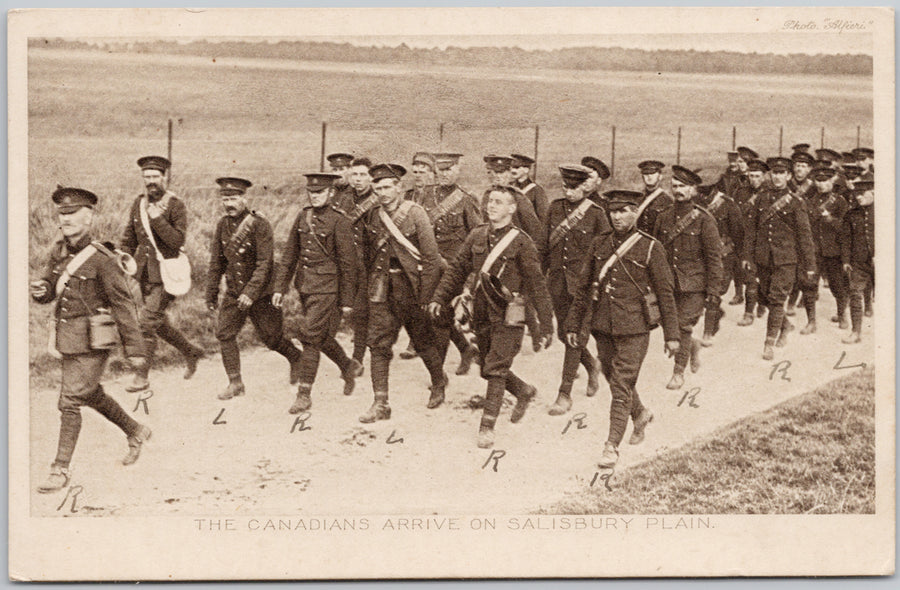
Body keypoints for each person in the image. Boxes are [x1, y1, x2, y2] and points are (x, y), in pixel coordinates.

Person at [31, 187, 152, 493]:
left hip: (94, 341)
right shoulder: (59, 250)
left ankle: (60, 469)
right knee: (90, 394)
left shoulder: (103, 258)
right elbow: (50, 285)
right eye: (62, 214)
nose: (66, 219)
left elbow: (124, 304)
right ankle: (135, 430)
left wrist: (136, 350)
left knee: (69, 400)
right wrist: (42, 291)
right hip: (66, 338)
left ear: (88, 217)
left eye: (72, 214)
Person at [429, 185, 554, 448]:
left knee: (496, 368)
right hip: (481, 312)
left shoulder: (521, 242)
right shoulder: (477, 235)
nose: (492, 206)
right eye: (490, 201)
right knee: (487, 366)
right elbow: (456, 270)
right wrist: (439, 297)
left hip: (510, 313)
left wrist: (545, 324)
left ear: (512, 209)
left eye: (499, 202)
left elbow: (537, 285)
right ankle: (523, 390)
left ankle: (487, 426)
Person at [564, 190, 680, 469]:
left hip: (635, 327)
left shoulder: (651, 247)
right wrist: (573, 324)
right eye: (613, 212)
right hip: (602, 325)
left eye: (624, 211)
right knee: (612, 374)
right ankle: (639, 413)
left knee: (620, 384)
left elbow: (665, 294)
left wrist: (672, 335)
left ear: (636, 212)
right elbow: (583, 288)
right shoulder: (599, 243)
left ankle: (611, 445)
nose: (617, 216)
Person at [358, 163, 448, 423]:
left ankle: (439, 382)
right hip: (381, 288)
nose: (383, 193)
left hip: (412, 288)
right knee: (378, 344)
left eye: (388, 187)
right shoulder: (373, 216)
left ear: (399, 188)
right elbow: (366, 256)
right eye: (378, 188)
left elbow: (431, 258)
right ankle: (380, 403)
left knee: (422, 340)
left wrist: (428, 296)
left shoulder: (416, 213)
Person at [204, 177, 303, 401]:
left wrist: (250, 292)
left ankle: (296, 357)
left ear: (244, 198)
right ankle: (235, 382)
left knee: (272, 339)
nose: (229, 203)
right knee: (225, 334)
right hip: (234, 291)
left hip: (262, 293)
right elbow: (216, 263)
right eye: (225, 198)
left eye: (234, 198)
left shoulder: (259, 224)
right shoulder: (222, 225)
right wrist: (210, 293)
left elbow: (264, 263)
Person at [272, 173, 361, 413]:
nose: (315, 196)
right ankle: (347, 366)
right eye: (311, 193)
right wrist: (280, 287)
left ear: (331, 193)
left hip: (328, 290)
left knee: (310, 336)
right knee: (320, 335)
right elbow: (290, 255)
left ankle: (304, 394)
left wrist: (347, 300)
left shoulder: (339, 221)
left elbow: (348, 265)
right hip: (306, 287)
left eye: (320, 192)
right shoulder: (303, 216)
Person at [121, 156, 203, 393]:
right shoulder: (138, 203)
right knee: (156, 322)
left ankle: (141, 377)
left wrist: (157, 219)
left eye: (155, 177)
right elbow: (130, 237)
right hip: (145, 274)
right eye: (147, 177)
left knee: (146, 324)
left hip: (168, 275)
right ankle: (190, 351)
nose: (151, 182)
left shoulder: (175, 205)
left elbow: (177, 241)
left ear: (164, 177)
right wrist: (123, 255)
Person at [542, 165, 611, 415]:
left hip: (582, 288)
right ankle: (592, 365)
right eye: (565, 187)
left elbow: (606, 254)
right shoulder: (554, 208)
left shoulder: (596, 214)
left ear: (585, 187)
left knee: (575, 337)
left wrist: (597, 285)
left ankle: (564, 394)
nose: (569, 192)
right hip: (558, 284)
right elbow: (543, 246)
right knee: (564, 333)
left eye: (574, 188)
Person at [652, 166, 723, 389]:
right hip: (668, 284)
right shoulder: (663, 218)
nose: (678, 191)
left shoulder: (704, 220)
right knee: (669, 325)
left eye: (683, 187)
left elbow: (714, 259)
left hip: (694, 286)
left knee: (682, 326)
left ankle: (678, 372)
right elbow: (655, 252)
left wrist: (713, 292)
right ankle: (691, 346)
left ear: (693, 190)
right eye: (675, 186)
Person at [413, 154, 482, 375]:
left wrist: (470, 276)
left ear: (458, 170)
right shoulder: (424, 196)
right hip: (429, 265)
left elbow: (478, 237)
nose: (444, 174)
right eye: (440, 170)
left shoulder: (466, 200)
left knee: (438, 319)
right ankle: (465, 348)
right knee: (436, 316)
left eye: (449, 170)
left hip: (453, 269)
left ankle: (438, 374)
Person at [742, 157, 816, 360]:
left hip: (786, 260)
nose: (777, 177)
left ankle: (769, 343)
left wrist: (810, 265)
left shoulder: (795, 202)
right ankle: (785, 326)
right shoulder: (761, 199)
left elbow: (805, 236)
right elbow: (751, 231)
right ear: (770, 175)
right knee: (764, 296)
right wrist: (747, 256)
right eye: (774, 173)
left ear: (789, 176)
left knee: (776, 299)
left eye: (781, 173)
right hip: (763, 258)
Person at [339, 156, 379, 370]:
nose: (358, 179)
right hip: (344, 263)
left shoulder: (378, 202)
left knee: (362, 312)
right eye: (354, 174)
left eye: (363, 175)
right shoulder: (343, 199)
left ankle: (358, 358)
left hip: (368, 265)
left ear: (371, 178)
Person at [696, 182, 743, 346]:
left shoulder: (729, 205)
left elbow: (738, 234)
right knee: (703, 291)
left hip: (723, 254)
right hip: (701, 254)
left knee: (715, 292)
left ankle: (708, 332)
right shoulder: (695, 202)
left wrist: (737, 257)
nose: (702, 195)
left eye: (706, 191)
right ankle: (716, 314)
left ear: (715, 188)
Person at [807, 167, 851, 330]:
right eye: (818, 180)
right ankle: (811, 321)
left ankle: (842, 316)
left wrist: (830, 219)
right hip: (815, 251)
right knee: (810, 286)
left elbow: (846, 228)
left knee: (837, 285)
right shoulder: (810, 200)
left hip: (834, 251)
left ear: (832, 181)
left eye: (825, 180)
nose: (821, 184)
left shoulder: (839, 201)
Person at [732, 158, 768, 325]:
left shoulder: (769, 193)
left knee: (765, 278)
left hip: (764, 242)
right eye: (751, 176)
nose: (753, 179)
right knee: (750, 277)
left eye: (757, 176)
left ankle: (761, 302)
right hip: (745, 241)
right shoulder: (740, 192)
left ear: (764, 176)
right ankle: (748, 313)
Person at [840, 180, 874, 344]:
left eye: (862, 194)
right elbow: (846, 239)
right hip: (859, 262)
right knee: (855, 294)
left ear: (872, 192)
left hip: (884, 261)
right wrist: (846, 260)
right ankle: (856, 332)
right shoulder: (851, 214)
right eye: (856, 194)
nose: (859, 198)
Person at [785, 151, 817, 320]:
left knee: (808, 267)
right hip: (791, 231)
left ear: (809, 169)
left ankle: (806, 298)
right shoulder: (787, 184)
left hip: (809, 229)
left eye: (803, 166)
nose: (799, 169)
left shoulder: (812, 187)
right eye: (797, 166)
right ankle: (792, 299)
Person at [510, 153, 549, 224]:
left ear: (526, 170)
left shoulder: (536, 190)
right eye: (512, 167)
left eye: (517, 167)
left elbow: (543, 217)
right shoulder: (510, 187)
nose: (513, 170)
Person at [636, 160, 673, 234]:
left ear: (660, 176)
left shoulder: (667, 200)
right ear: (642, 177)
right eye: (646, 174)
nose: (649, 176)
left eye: (652, 173)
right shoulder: (638, 199)